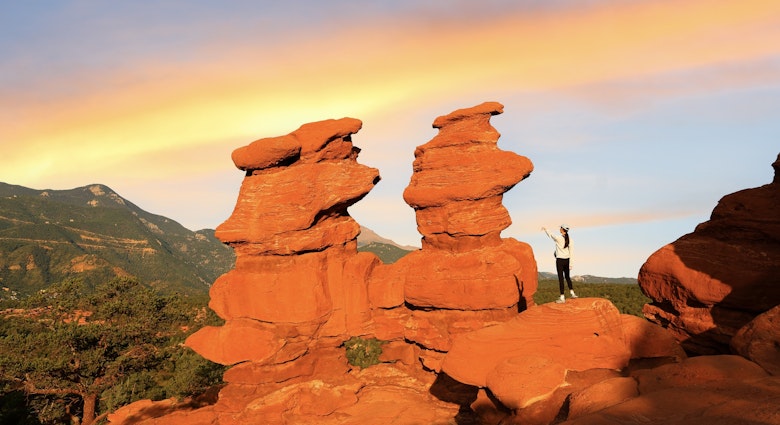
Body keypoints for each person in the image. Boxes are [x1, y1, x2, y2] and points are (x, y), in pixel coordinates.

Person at [542, 224, 577, 303]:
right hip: (567, 260)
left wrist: (545, 229)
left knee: (561, 278)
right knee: (567, 277)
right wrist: (571, 264)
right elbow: (571, 252)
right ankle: (572, 293)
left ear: (562, 229)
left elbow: (551, 235)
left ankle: (562, 297)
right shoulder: (571, 240)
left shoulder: (558, 238)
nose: (559, 229)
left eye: (560, 228)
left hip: (560, 260)